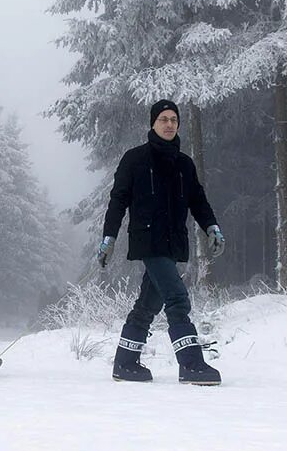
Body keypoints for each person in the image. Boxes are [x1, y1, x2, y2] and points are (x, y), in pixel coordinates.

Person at [96, 99, 226, 385]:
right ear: (153, 123)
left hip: (174, 243)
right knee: (177, 298)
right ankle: (191, 365)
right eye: (163, 119)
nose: (169, 124)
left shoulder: (184, 164)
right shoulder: (135, 158)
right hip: (148, 240)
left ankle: (126, 363)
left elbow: (198, 201)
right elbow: (118, 200)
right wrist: (109, 237)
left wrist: (212, 227)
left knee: (147, 304)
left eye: (174, 120)